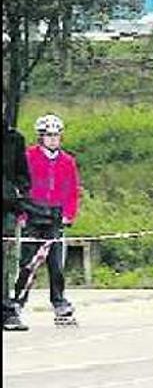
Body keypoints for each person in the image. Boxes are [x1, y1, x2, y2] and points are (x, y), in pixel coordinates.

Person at [13, 114, 80, 326]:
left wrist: (69, 214)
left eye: (56, 135)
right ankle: (17, 301)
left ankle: (59, 302)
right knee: (28, 263)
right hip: (33, 215)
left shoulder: (67, 161)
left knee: (56, 264)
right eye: (48, 135)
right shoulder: (29, 156)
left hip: (55, 217)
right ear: (41, 137)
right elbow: (21, 186)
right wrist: (22, 214)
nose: (53, 139)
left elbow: (72, 190)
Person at [3, 114, 31, 331]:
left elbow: (23, 175)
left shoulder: (14, 139)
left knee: (7, 262)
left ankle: (6, 309)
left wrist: (19, 192)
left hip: (7, 208)